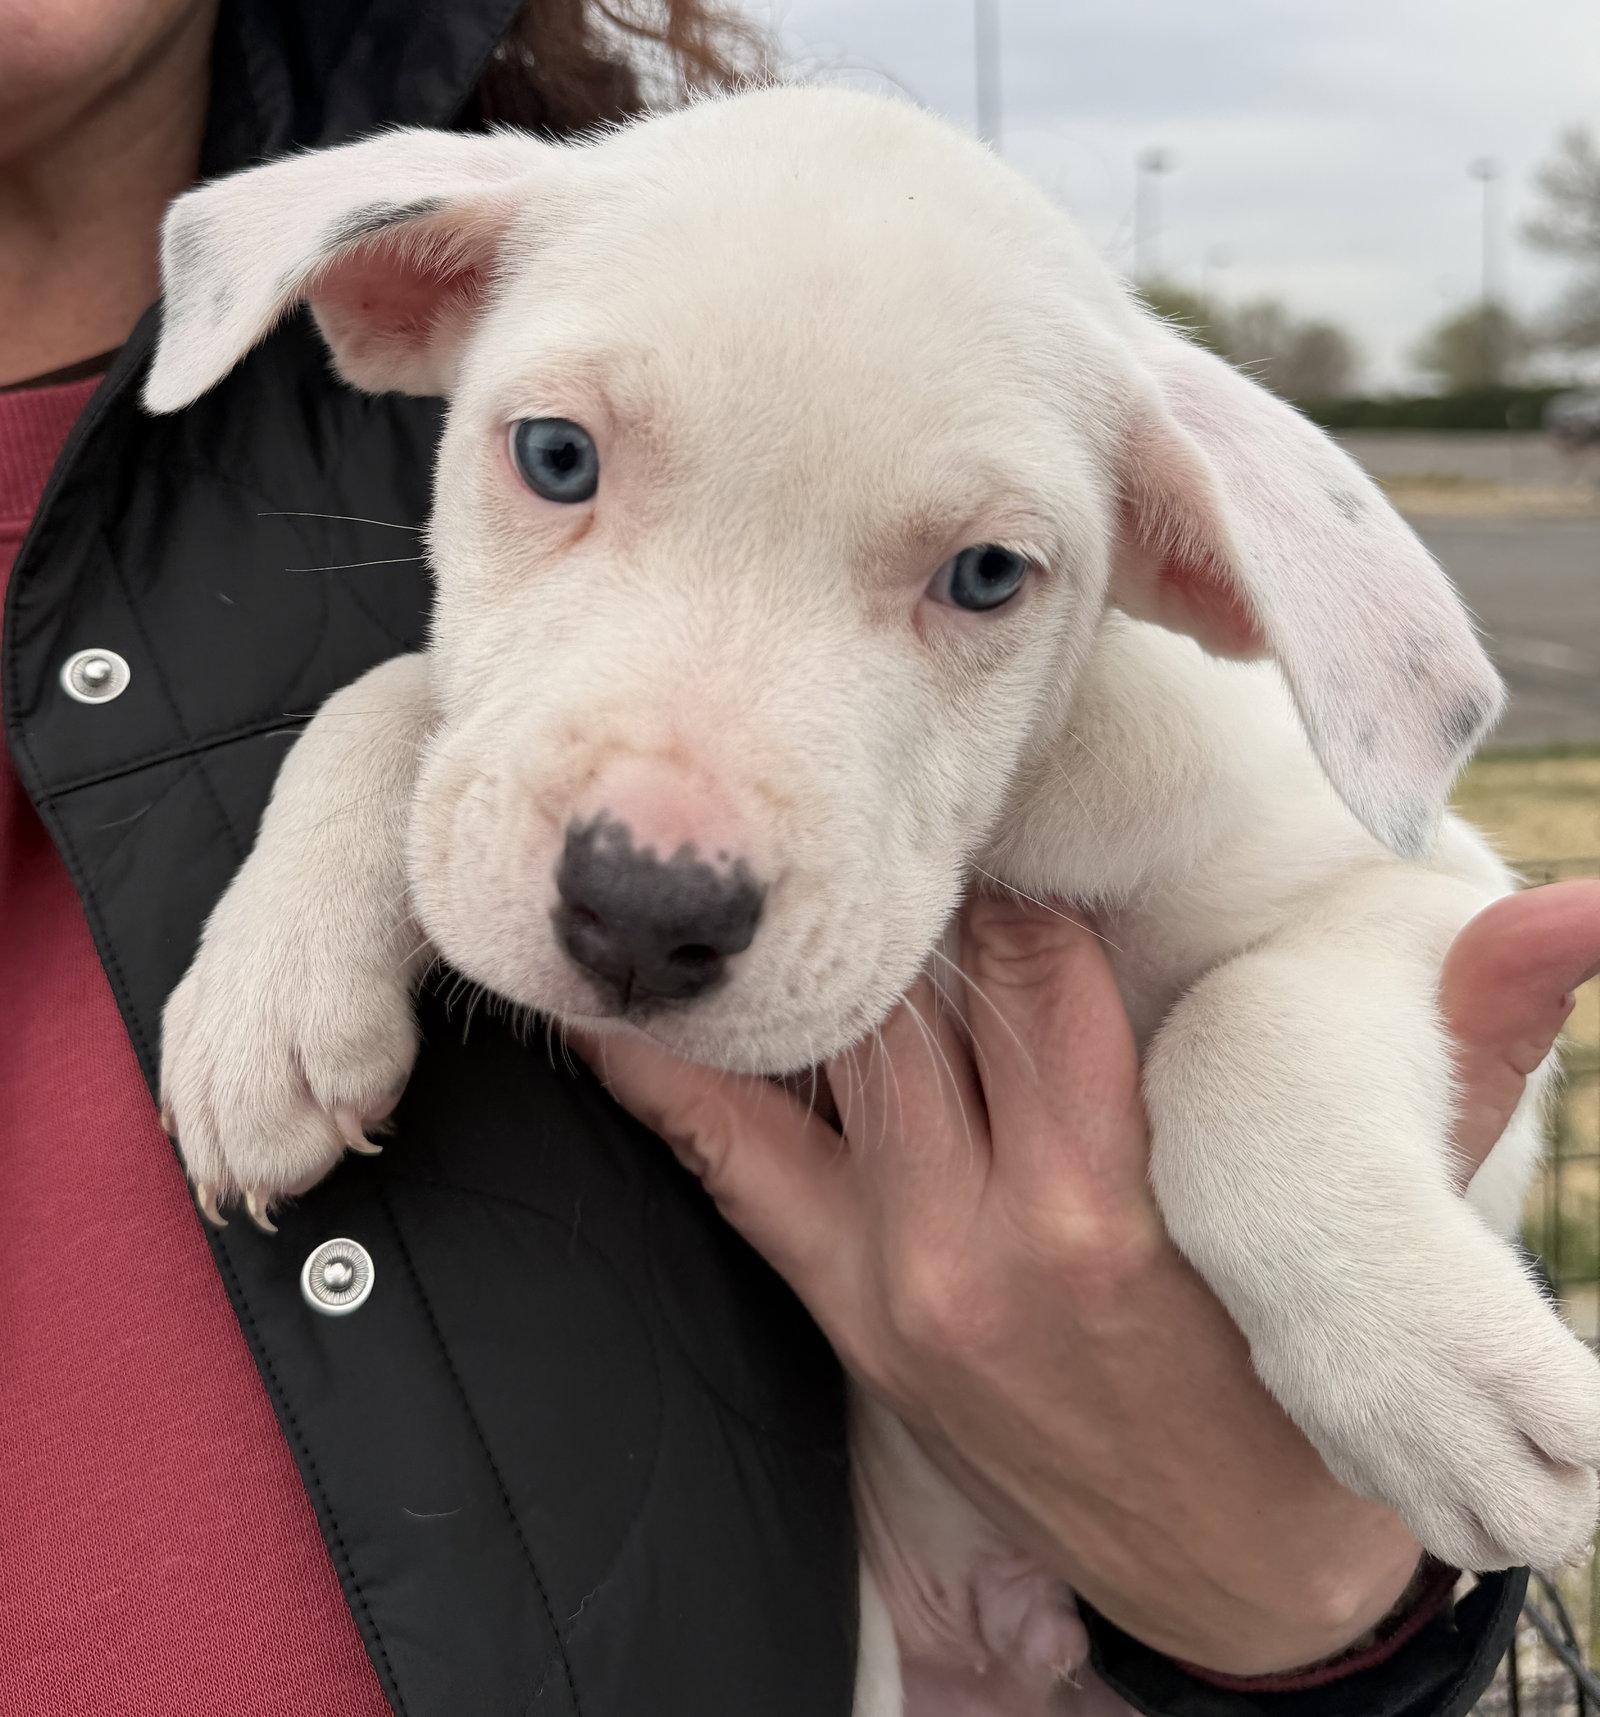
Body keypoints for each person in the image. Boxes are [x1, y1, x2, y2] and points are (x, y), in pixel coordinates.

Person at [3, 0, 1597, 1711]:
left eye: (978, 575)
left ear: (1171, 554)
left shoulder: (1191, 748)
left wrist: (1281, 1170)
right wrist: (361, 784)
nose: (663, 859)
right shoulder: (508, 295)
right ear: (402, 295)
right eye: (563, 464)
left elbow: (1412, 898)